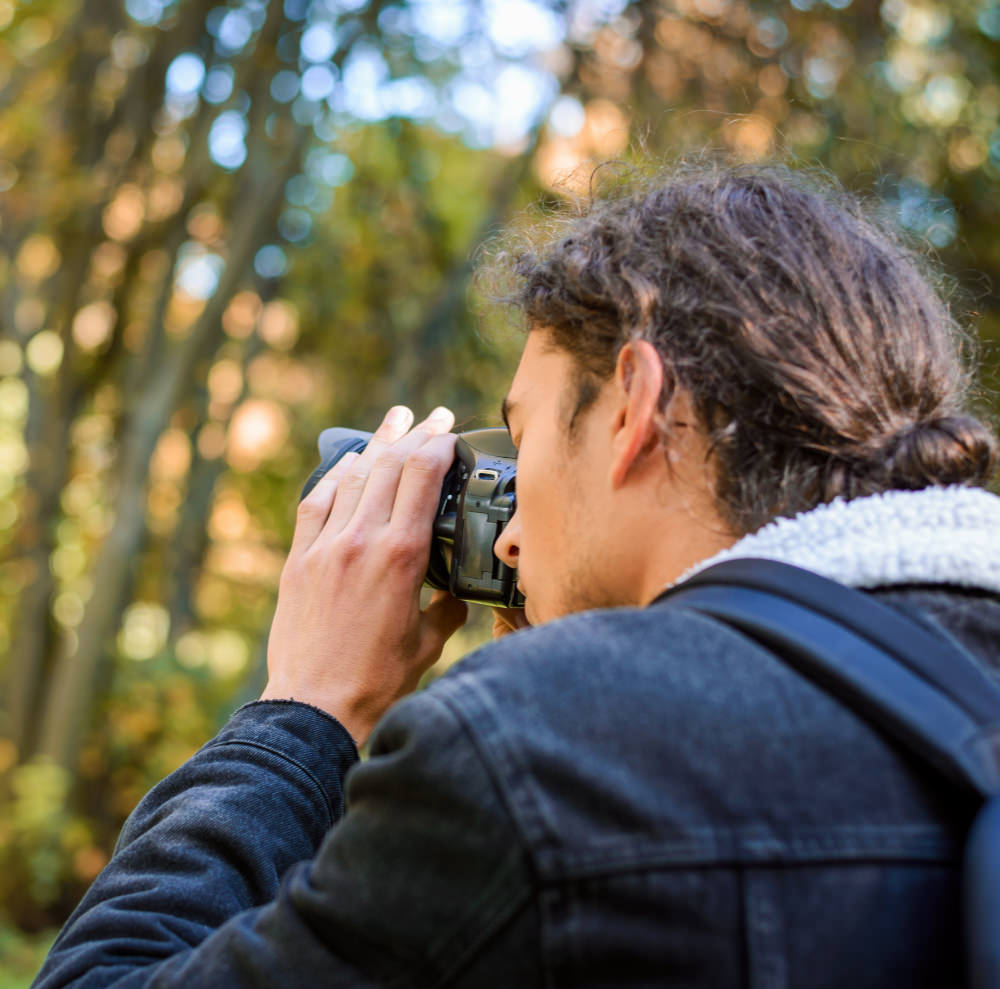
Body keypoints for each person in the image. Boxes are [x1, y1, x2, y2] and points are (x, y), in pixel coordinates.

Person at [33, 163, 1000, 988]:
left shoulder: (546, 751)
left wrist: (302, 711)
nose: (505, 543)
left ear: (635, 406)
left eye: (524, 437)